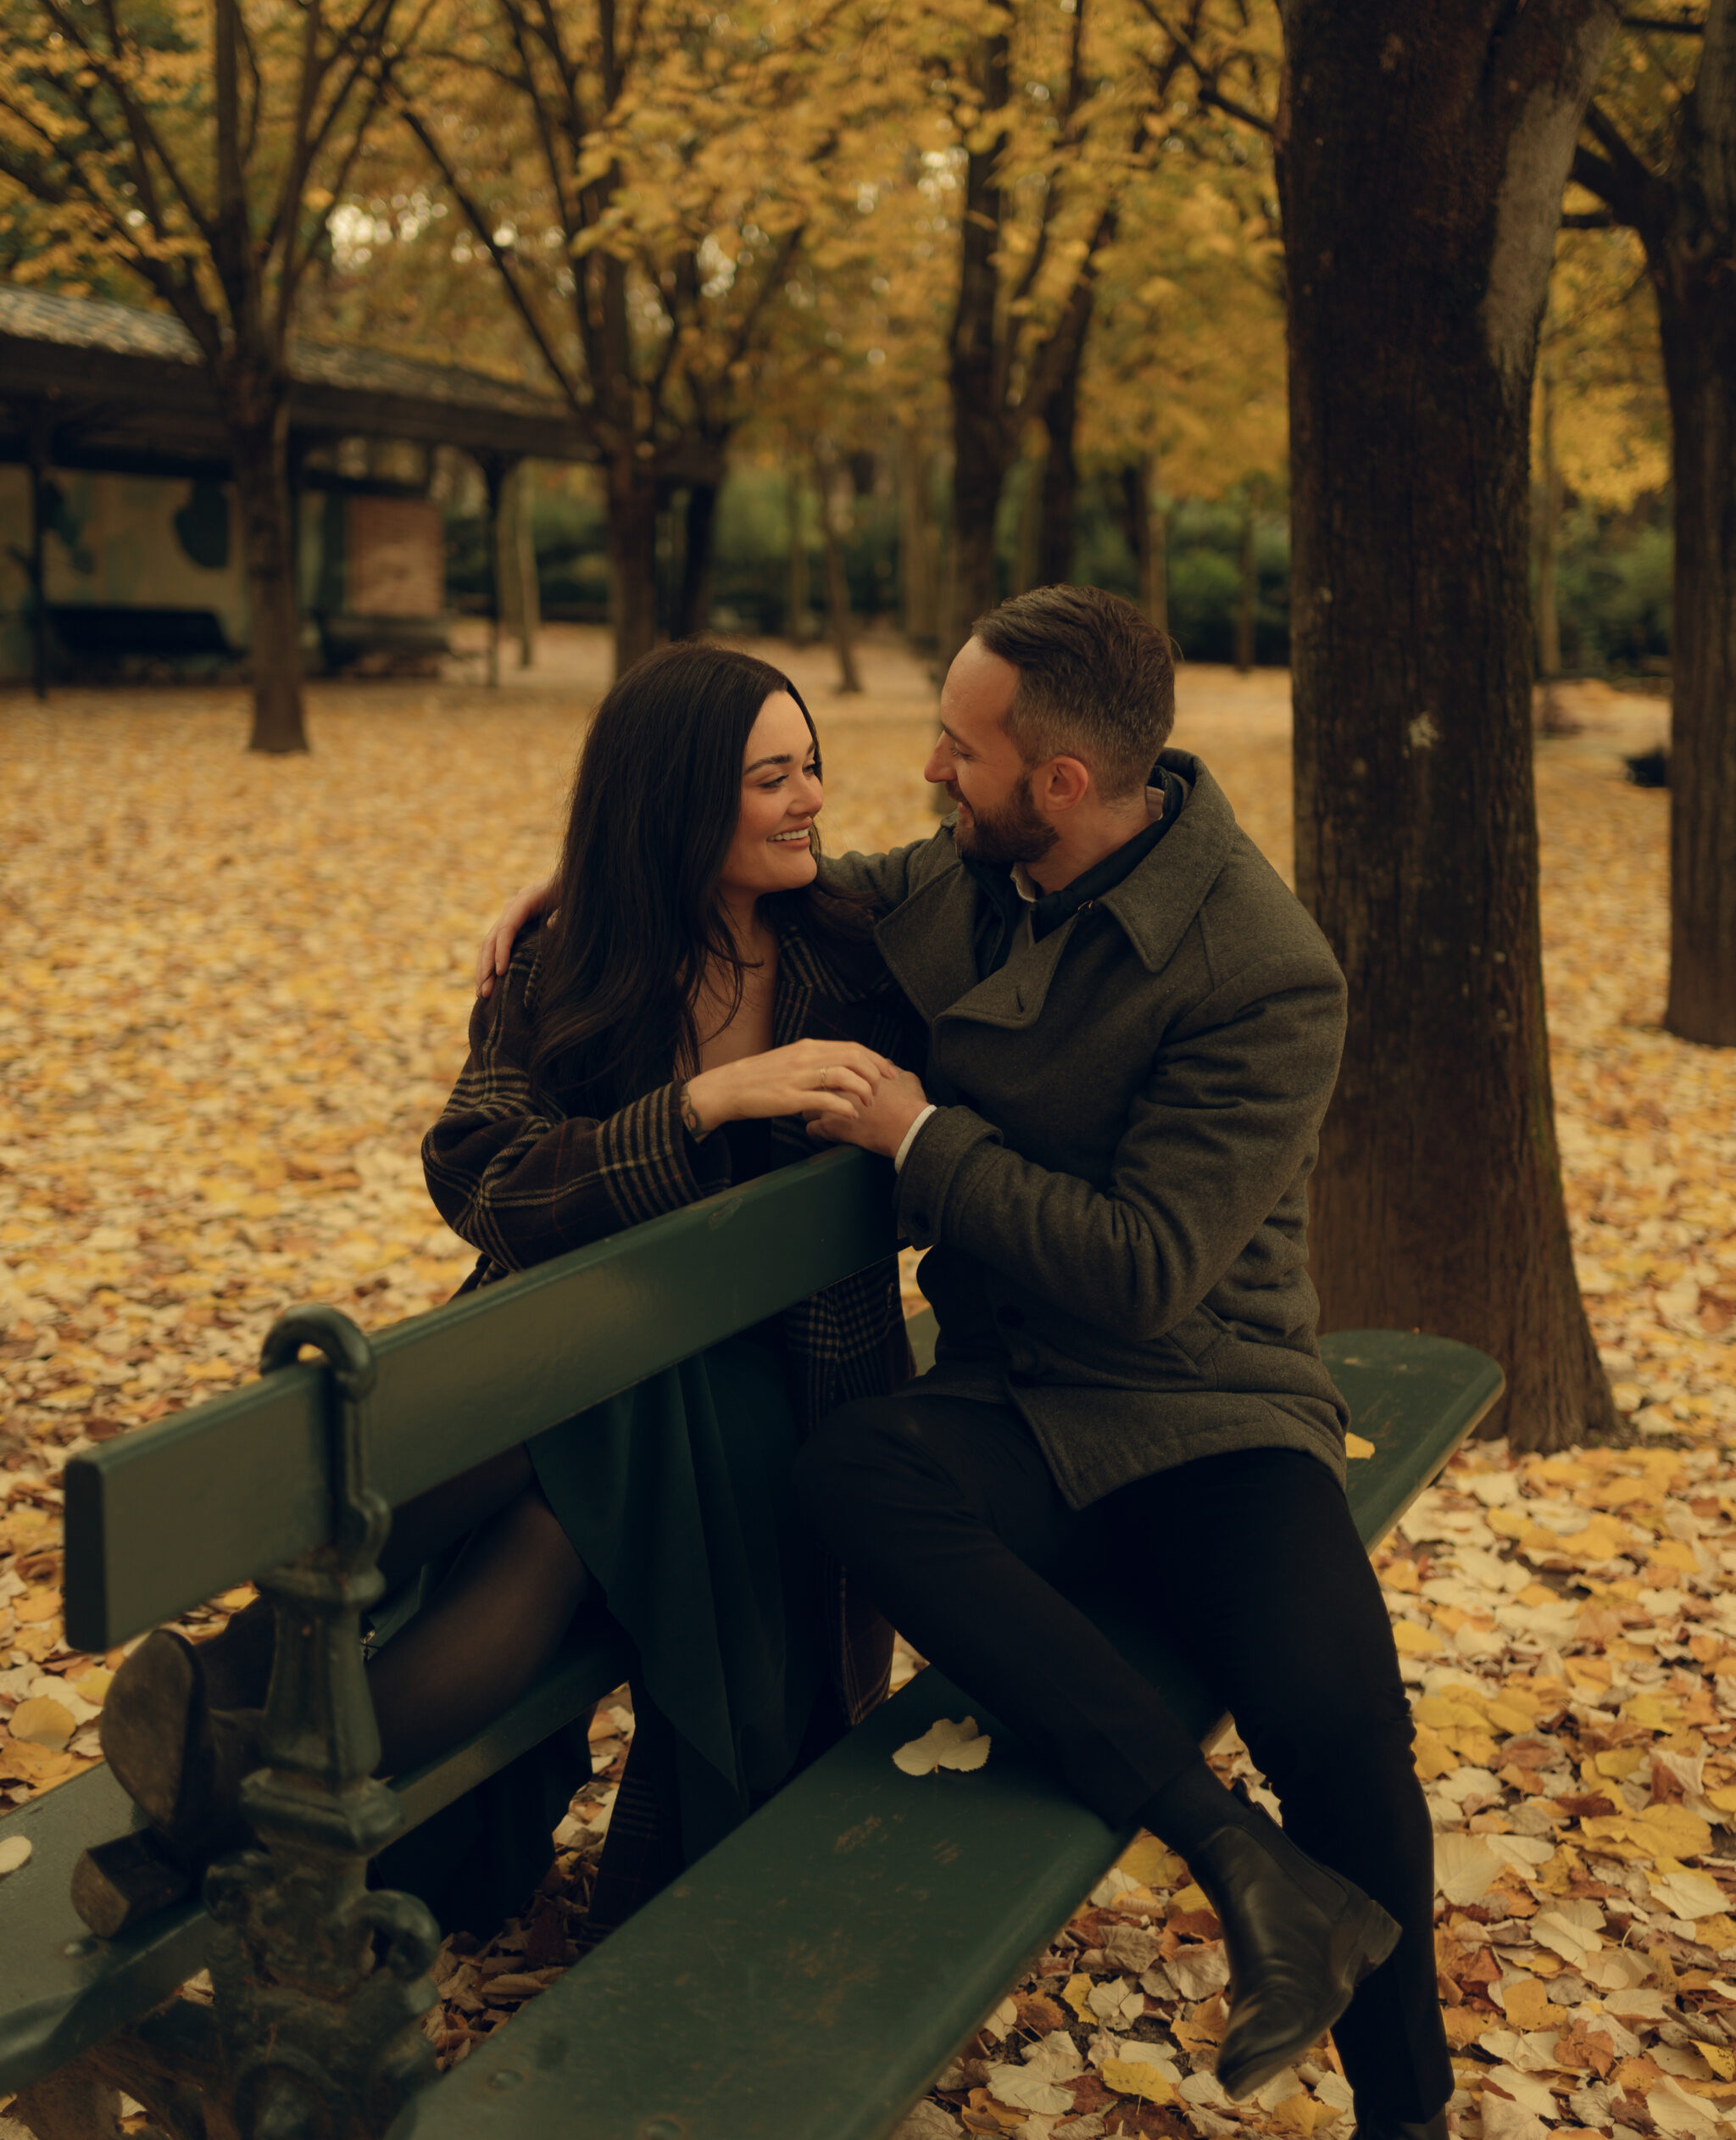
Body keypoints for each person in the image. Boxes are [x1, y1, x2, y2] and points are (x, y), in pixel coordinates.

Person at [477, 588, 1449, 2136]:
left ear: (1056, 783)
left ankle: (1410, 2111)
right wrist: (607, 877)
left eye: (959, 747)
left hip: (1205, 1401)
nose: (929, 770)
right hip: (1012, 1397)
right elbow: (806, 880)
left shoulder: (1265, 971)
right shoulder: (965, 879)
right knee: (856, 1471)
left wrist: (920, 1137)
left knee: (1339, 1721)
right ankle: (1242, 1863)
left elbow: (1145, 1274)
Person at [92, 645, 915, 1945]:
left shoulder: (860, 953)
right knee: (560, 1497)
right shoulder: (576, 960)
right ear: (679, 802)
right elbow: (478, 1171)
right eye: (773, 777)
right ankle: (234, 1803)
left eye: (812, 766)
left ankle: (238, 1693)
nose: (813, 796)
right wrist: (701, 1102)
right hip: (588, 1374)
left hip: (776, 1408)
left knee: (590, 1392)